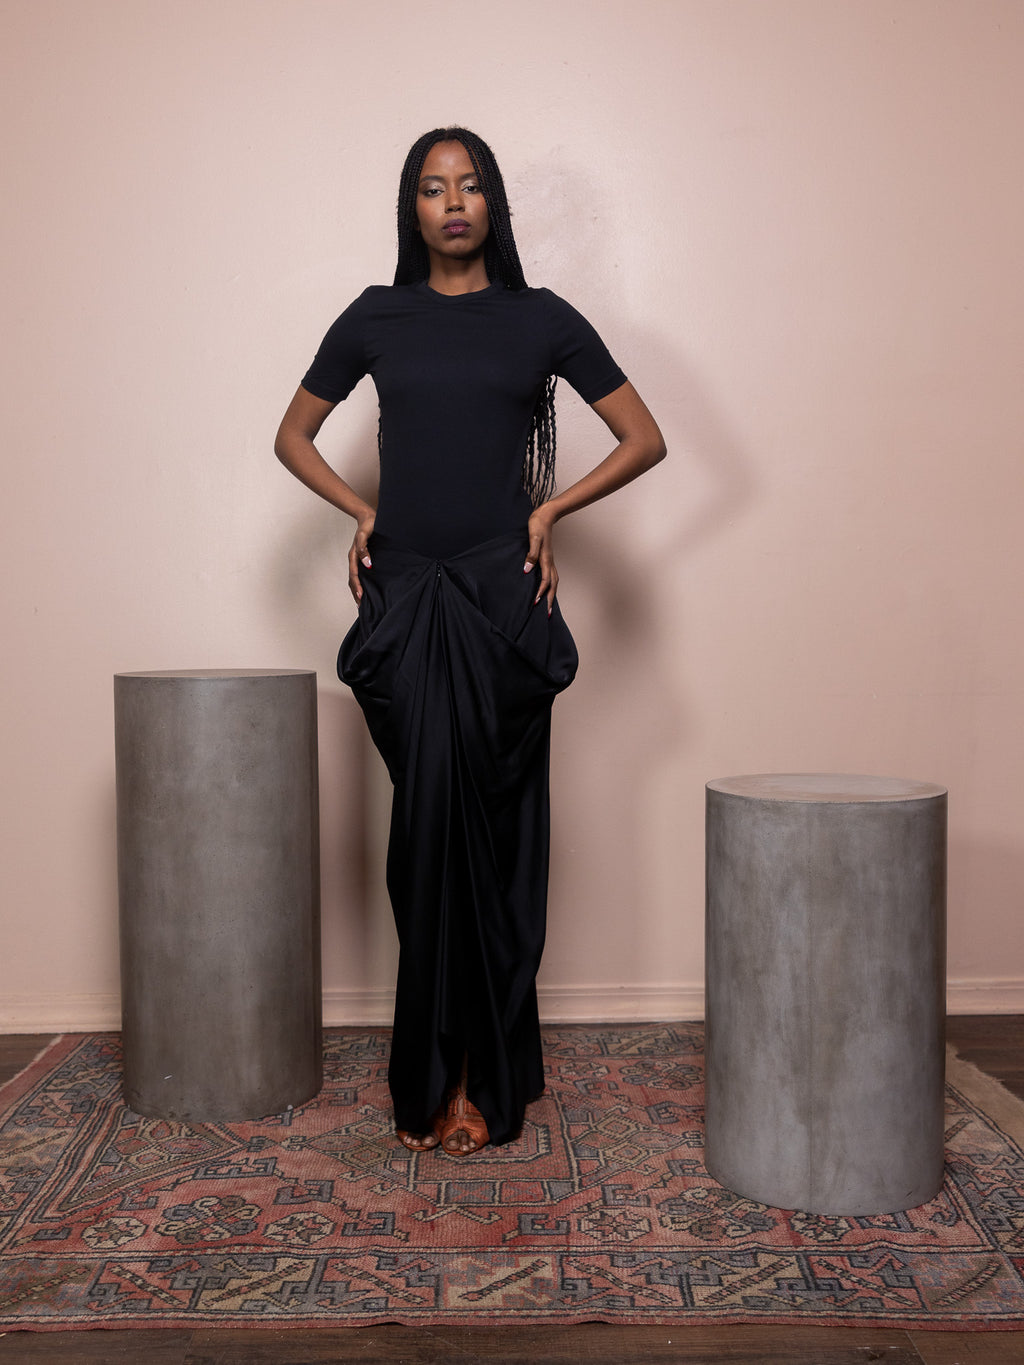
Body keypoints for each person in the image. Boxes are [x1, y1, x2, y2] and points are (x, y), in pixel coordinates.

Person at [275, 127, 665, 1156]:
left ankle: (481, 1081)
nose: (452, 202)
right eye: (432, 187)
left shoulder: (542, 319)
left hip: (501, 602)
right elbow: (291, 436)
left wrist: (551, 510)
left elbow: (644, 437)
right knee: (426, 845)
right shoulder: (376, 316)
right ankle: (435, 1073)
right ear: (411, 208)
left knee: (493, 845)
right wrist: (362, 511)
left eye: (470, 184)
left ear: (493, 203)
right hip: (407, 599)